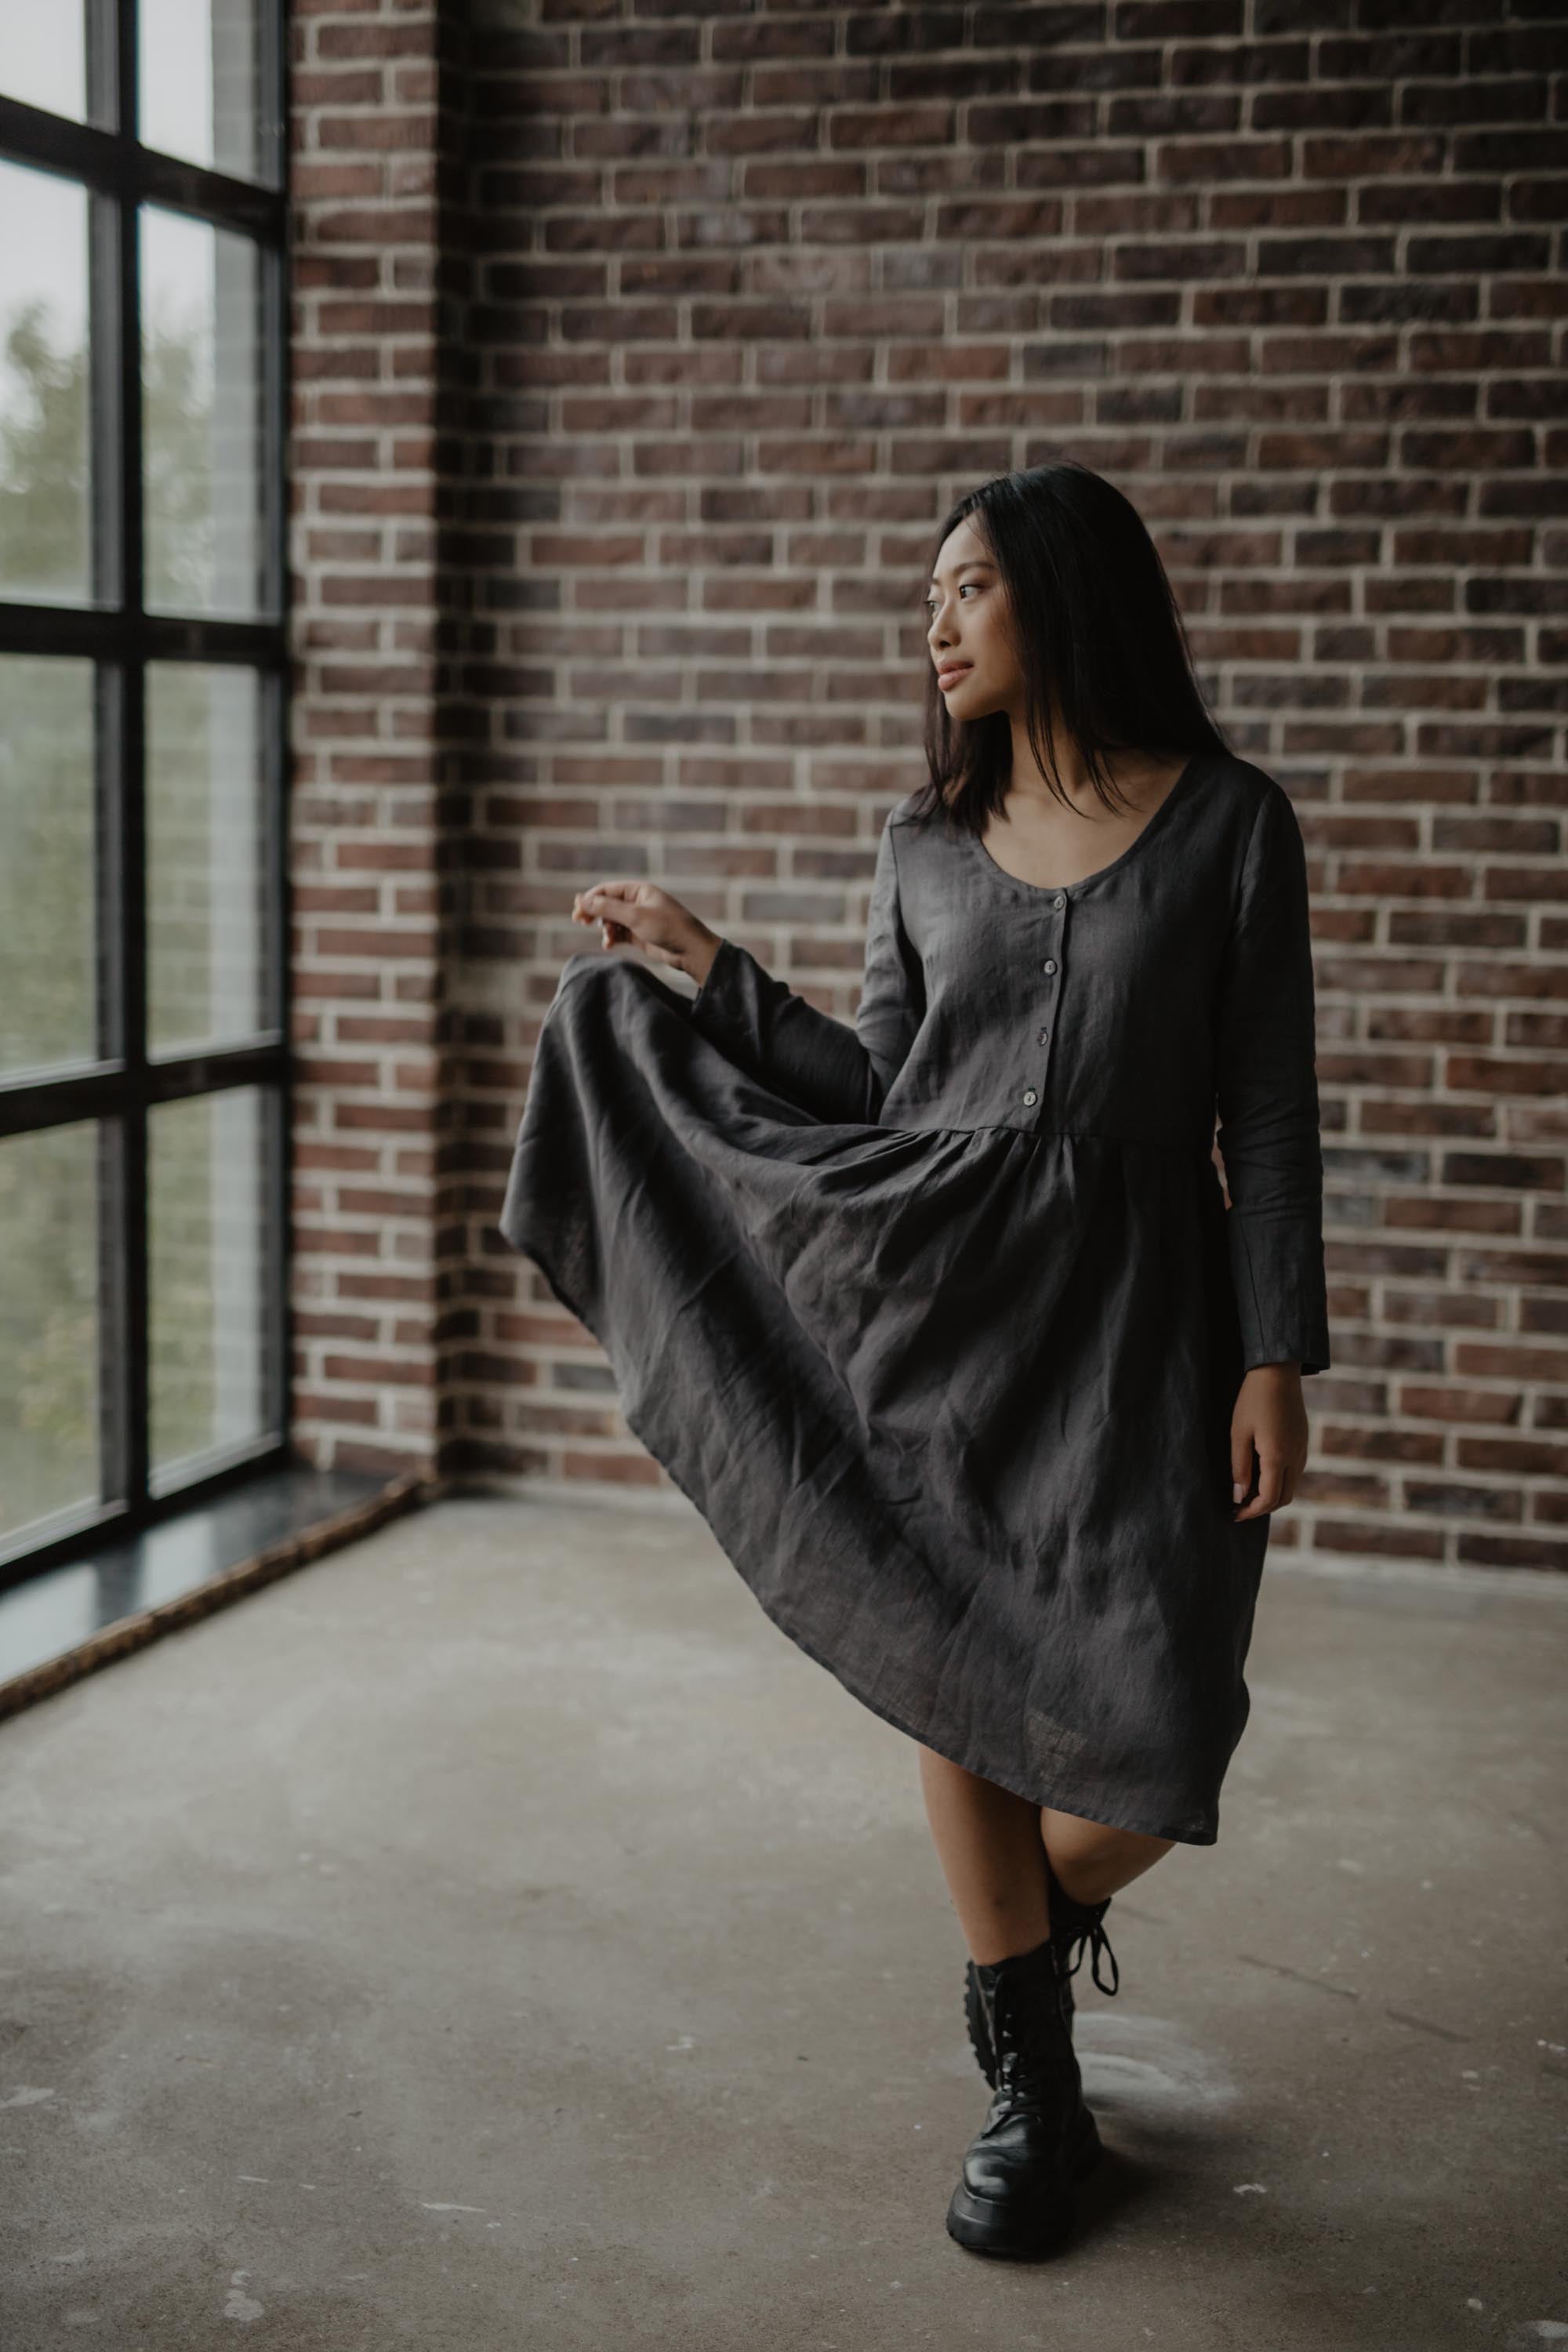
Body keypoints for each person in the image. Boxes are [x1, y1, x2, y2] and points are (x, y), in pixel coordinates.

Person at [498, 459, 1329, 2263]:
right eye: (927, 595)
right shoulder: (919, 846)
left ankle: (1010, 1950)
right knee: (961, 1670)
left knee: (1161, 1742)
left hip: (1142, 1327)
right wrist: (703, 968)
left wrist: (1279, 1355)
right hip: (943, 1306)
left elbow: (1265, 1119)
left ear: (1061, 593)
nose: (933, 622)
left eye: (966, 587)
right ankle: (1033, 2086)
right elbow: (881, 1094)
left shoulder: (1230, 826)